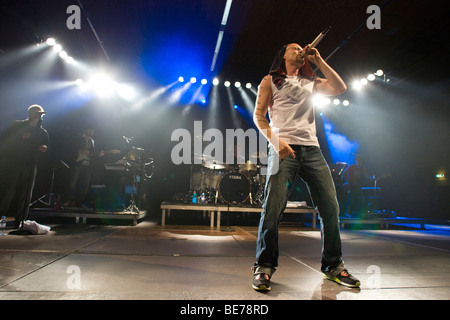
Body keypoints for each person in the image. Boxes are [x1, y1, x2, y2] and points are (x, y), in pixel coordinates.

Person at [252, 43, 360, 291]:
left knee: (330, 207)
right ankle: (264, 266)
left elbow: (340, 88)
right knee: (273, 208)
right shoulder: (270, 80)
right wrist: (275, 141)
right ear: (283, 55)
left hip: (311, 149)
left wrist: (319, 60)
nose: (300, 49)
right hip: (283, 147)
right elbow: (259, 116)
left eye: (302, 47)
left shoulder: (311, 82)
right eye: (294, 47)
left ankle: (333, 266)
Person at [0, 105, 49, 228]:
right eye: (35, 112)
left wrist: (44, 148)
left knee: (26, 191)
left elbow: (47, 147)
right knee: (9, 189)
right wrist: (20, 138)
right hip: (14, 161)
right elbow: (6, 140)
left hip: (31, 163)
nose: (37, 115)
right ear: (29, 113)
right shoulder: (18, 125)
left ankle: (21, 219)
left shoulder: (42, 132)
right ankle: (1, 216)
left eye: (39, 113)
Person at [64, 125, 104, 208]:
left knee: (85, 184)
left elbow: (91, 154)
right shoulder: (79, 138)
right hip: (77, 162)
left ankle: (79, 202)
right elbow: (70, 148)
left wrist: (98, 154)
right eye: (89, 130)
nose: (91, 132)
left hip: (87, 164)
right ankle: (69, 200)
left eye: (92, 131)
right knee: (73, 183)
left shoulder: (92, 141)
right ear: (86, 130)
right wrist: (80, 150)